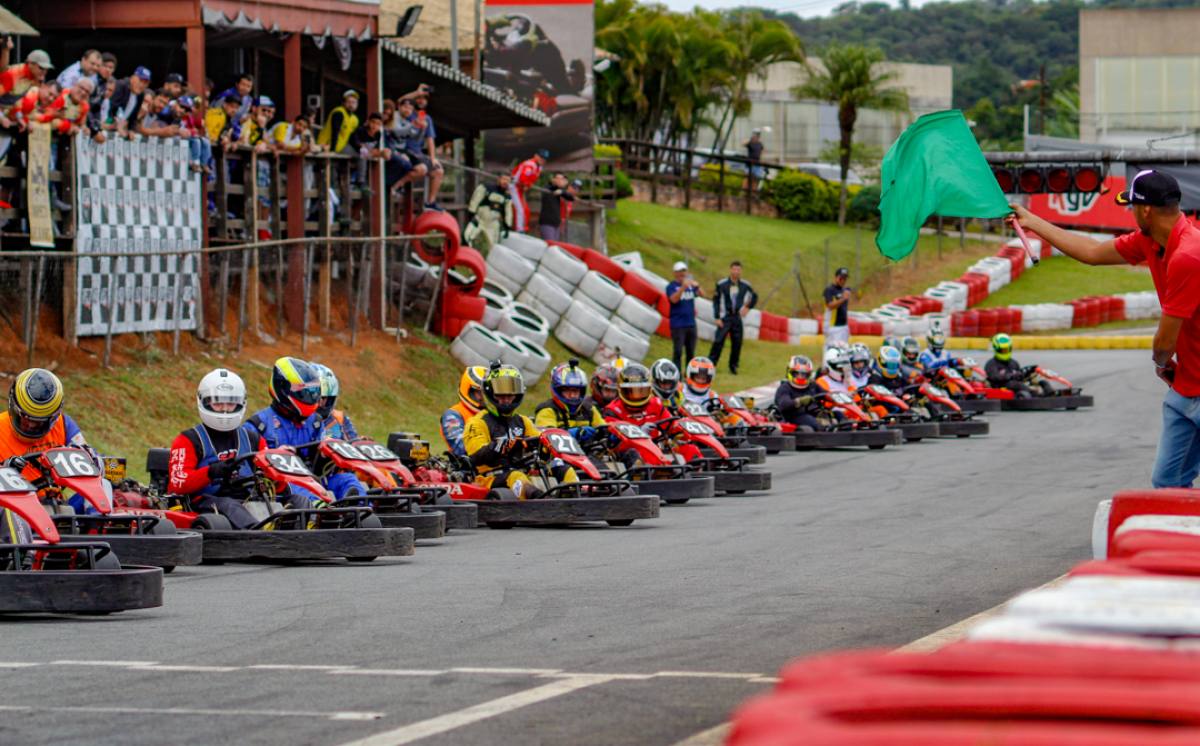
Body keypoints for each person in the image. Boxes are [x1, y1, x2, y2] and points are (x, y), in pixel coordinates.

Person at [1013, 171, 1200, 487]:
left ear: (1146, 211)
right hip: (1186, 389)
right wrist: (1033, 222)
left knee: (1170, 485)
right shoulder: (1150, 241)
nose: (1130, 212)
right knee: (1167, 483)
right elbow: (1091, 251)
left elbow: (1164, 340)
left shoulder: (1189, 256)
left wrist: (1160, 363)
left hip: (1187, 383)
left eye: (1131, 206)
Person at [243, 357, 365, 502]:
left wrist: (328, 454)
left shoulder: (315, 422)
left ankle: (359, 510)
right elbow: (248, 474)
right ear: (282, 387)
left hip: (314, 480)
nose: (311, 395)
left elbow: (320, 469)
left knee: (348, 480)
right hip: (280, 488)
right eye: (301, 390)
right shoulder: (258, 425)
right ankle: (320, 511)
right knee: (299, 489)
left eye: (312, 390)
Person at [168, 369, 265, 529]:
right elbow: (177, 484)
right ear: (203, 402)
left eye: (230, 403)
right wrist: (211, 472)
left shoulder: (253, 439)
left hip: (248, 499)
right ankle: (261, 536)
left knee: (296, 500)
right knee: (229, 505)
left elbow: (275, 484)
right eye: (218, 403)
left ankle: (307, 533)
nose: (225, 409)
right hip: (205, 502)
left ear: (241, 402)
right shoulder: (189, 440)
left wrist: (278, 466)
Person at [0, 368, 101, 515]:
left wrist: (91, 458)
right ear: (13, 407)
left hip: (58, 505)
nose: (31, 425)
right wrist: (6, 471)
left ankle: (97, 530)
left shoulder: (64, 425)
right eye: (25, 418)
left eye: (39, 422)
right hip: (16, 509)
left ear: (53, 418)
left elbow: (92, 462)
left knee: (103, 484)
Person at [464, 365, 553, 500]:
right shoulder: (477, 422)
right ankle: (541, 501)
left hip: (520, 472)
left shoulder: (523, 421)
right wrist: (504, 445)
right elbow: (476, 456)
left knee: (558, 468)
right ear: (490, 393)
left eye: (510, 395)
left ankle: (574, 496)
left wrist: (546, 445)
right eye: (501, 395)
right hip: (489, 478)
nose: (506, 400)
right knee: (515, 476)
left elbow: (540, 443)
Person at [534, 361, 606, 444]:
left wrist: (611, 434)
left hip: (587, 455)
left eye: (575, 391)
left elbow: (603, 428)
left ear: (581, 391)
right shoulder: (547, 409)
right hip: (555, 455)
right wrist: (573, 433)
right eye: (567, 390)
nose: (572, 395)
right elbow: (546, 437)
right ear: (558, 390)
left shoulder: (589, 409)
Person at [709, 261, 757, 374]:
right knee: (718, 341)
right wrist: (716, 317)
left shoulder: (745, 285)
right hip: (725, 316)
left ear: (741, 271)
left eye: (738, 270)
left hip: (737, 317)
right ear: (730, 270)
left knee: (737, 342)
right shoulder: (722, 284)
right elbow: (715, 301)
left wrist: (747, 307)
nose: (736, 272)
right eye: (734, 269)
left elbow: (754, 296)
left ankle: (733, 366)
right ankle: (711, 364)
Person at [602, 363, 672, 430]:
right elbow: (613, 436)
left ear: (650, 388)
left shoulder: (656, 404)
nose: (636, 396)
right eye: (630, 391)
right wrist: (639, 431)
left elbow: (673, 426)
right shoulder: (612, 411)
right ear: (620, 389)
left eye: (641, 391)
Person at [984, 333, 1048, 400]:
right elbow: (995, 377)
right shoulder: (991, 364)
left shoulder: (1013, 363)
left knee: (1041, 381)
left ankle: (1050, 393)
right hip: (1000, 387)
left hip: (1016, 387)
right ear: (996, 349)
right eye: (1003, 350)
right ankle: (1036, 396)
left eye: (1007, 349)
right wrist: (1010, 376)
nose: (1005, 352)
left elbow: (1018, 375)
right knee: (1015, 384)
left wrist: (1024, 374)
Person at [665, 261, 702, 373]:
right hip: (678, 325)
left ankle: (690, 375)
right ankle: (676, 376)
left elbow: (701, 294)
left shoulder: (690, 286)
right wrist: (682, 288)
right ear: (675, 273)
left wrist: (697, 286)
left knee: (691, 352)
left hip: (691, 324)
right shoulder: (671, 286)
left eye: (684, 271)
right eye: (679, 271)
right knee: (678, 352)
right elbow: (673, 300)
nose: (682, 274)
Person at [442, 366, 486, 457]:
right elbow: (461, 447)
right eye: (480, 393)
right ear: (468, 389)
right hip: (466, 467)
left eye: (487, 393)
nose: (484, 398)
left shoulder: (492, 414)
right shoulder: (452, 415)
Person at [464, 172, 514, 251]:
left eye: (508, 180)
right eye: (504, 179)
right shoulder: (486, 188)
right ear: (499, 179)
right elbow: (475, 201)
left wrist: (507, 226)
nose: (505, 182)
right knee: (467, 237)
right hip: (479, 220)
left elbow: (508, 212)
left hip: (492, 224)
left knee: (492, 246)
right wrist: (471, 215)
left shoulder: (507, 197)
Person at [311, 364, 359, 440]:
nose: (321, 403)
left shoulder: (340, 419)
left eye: (326, 399)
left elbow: (354, 443)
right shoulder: (300, 422)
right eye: (318, 398)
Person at [774, 355, 821, 430]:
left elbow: (825, 394)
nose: (801, 377)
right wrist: (800, 401)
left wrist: (831, 397)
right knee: (814, 423)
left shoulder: (813, 385)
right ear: (790, 372)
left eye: (804, 374)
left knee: (837, 414)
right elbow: (784, 404)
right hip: (793, 416)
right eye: (797, 373)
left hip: (813, 413)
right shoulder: (785, 388)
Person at [110, 66, 151, 140]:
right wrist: (119, 123)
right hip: (109, 122)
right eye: (140, 80)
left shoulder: (140, 95)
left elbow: (134, 116)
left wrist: (131, 129)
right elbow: (113, 107)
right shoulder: (121, 85)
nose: (142, 85)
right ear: (133, 77)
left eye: (145, 83)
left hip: (120, 129)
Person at [511, 149, 547, 232]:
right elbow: (523, 178)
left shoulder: (539, 167)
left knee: (525, 209)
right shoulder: (530, 164)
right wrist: (526, 185)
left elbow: (531, 180)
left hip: (520, 188)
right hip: (514, 186)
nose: (542, 159)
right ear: (536, 156)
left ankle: (522, 228)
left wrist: (528, 185)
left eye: (544, 158)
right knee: (520, 209)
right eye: (541, 157)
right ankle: (519, 229)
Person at [317, 89, 360, 155]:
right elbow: (335, 132)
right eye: (348, 102)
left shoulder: (355, 119)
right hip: (326, 145)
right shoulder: (339, 112)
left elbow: (352, 138)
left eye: (354, 102)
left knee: (360, 155)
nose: (351, 105)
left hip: (340, 147)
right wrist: (332, 151)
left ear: (357, 104)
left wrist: (361, 149)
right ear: (343, 103)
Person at [537, 173, 574, 241]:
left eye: (562, 179)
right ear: (553, 179)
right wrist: (559, 188)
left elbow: (571, 198)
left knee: (555, 246)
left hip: (556, 224)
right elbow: (550, 187)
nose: (560, 181)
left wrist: (562, 191)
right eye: (558, 179)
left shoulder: (559, 191)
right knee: (550, 245)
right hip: (547, 223)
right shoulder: (547, 188)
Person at [823, 267, 852, 346]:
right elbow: (829, 306)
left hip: (843, 326)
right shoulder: (829, 290)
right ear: (836, 277)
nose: (843, 280)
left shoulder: (845, 290)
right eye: (841, 278)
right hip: (833, 326)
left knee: (844, 350)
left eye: (845, 278)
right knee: (832, 349)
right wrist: (843, 299)